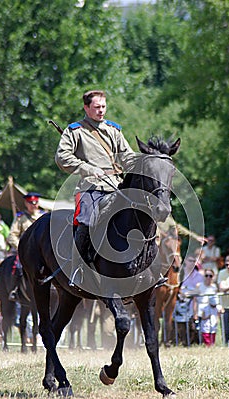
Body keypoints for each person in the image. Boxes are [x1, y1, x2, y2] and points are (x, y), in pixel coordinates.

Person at [55, 89, 150, 288]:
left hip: (116, 185)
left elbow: (127, 157)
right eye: (97, 107)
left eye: (103, 107)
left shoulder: (114, 130)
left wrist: (144, 165)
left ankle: (145, 268)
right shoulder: (75, 131)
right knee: (86, 221)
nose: (101, 111)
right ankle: (77, 269)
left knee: (140, 216)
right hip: (90, 187)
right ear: (86, 107)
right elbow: (62, 157)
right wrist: (87, 168)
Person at [7, 192, 44, 300]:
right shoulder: (20, 217)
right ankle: (15, 290)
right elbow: (12, 235)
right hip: (26, 251)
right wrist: (22, 248)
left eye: (36, 203)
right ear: (26, 203)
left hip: (42, 250)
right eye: (31, 203)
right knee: (18, 267)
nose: (34, 205)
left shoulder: (43, 216)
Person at [193, 269, 218, 342]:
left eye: (210, 276)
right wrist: (195, 313)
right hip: (201, 310)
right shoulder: (199, 285)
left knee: (211, 329)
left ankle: (211, 344)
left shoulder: (214, 287)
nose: (208, 278)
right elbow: (195, 300)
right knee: (200, 330)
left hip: (211, 310)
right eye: (206, 275)